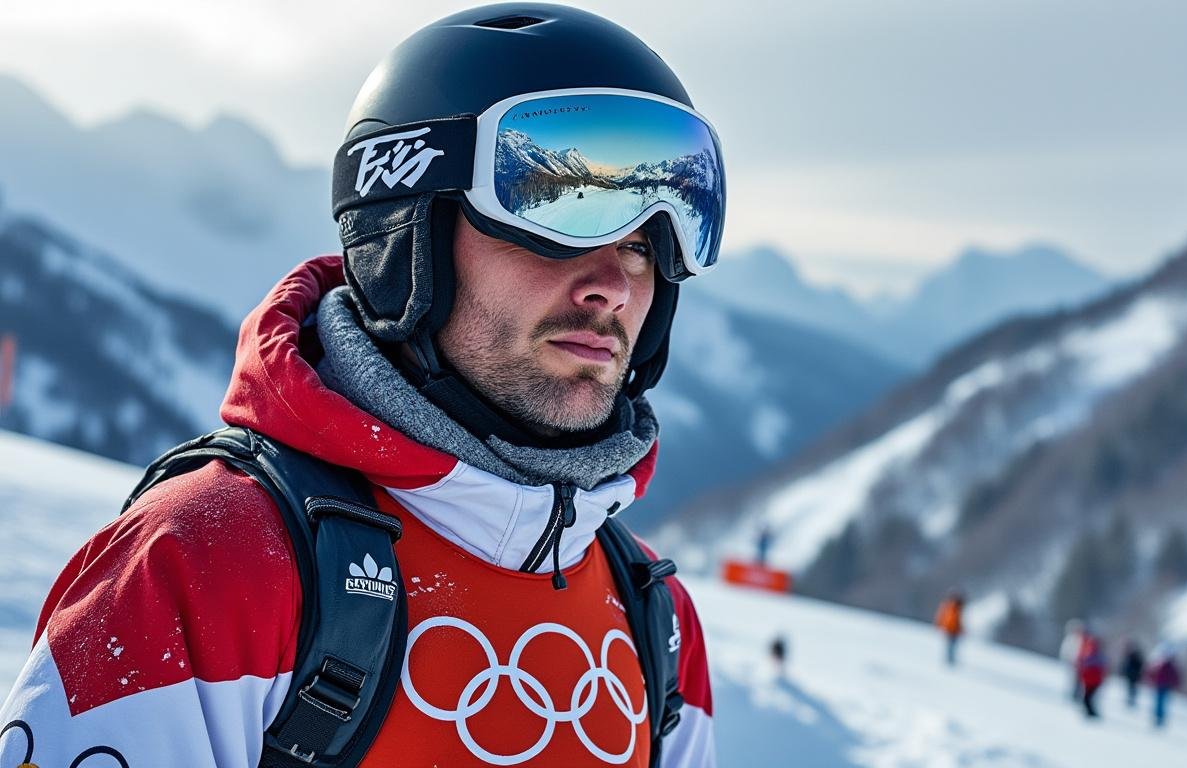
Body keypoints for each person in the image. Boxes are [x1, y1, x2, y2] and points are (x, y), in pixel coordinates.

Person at [0, 5, 725, 767]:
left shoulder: (658, 623)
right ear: (406, 235)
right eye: (562, 210)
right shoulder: (205, 563)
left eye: (644, 243)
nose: (613, 285)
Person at [1144, 642, 1182, 728]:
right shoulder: (1160, 663)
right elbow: (1152, 672)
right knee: (1159, 701)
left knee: (1162, 702)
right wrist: (1150, 680)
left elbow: (1176, 676)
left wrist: (1175, 684)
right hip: (1159, 685)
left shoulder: (1171, 665)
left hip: (1165, 686)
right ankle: (1158, 717)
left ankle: (1160, 718)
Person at [1076, 628, 1107, 719]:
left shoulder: (1092, 654)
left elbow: (1086, 664)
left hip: (1092, 679)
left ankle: (1091, 713)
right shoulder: (1096, 654)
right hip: (1091, 679)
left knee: (1088, 697)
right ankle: (1090, 713)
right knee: (1088, 697)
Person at [934, 589, 966, 667]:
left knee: (952, 645)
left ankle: (950, 660)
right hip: (950, 629)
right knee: (950, 645)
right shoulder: (951, 606)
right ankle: (949, 660)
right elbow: (943, 616)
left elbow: (959, 620)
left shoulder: (956, 607)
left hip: (953, 629)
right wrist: (939, 624)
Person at [1060, 618, 1085, 700]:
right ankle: (1073, 696)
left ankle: (1076, 695)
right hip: (1072, 664)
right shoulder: (1070, 639)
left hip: (1079, 664)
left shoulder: (1081, 640)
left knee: (1078, 681)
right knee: (1073, 680)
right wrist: (1071, 661)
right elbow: (1066, 653)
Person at [1120, 638, 1145, 708]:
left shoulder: (1136, 656)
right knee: (1130, 688)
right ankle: (1130, 700)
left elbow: (1140, 665)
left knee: (1133, 688)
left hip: (1134, 675)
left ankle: (1132, 700)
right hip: (1131, 675)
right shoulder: (1130, 655)